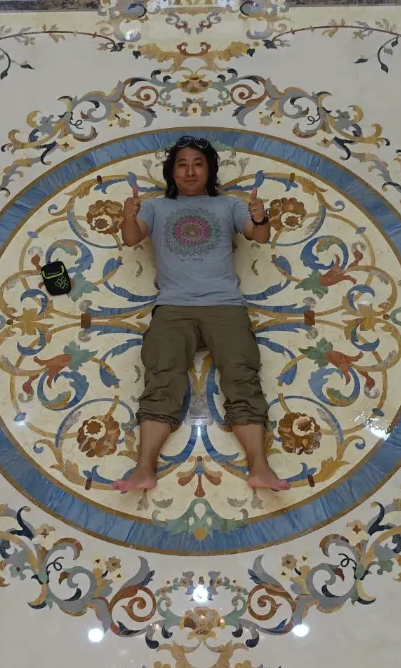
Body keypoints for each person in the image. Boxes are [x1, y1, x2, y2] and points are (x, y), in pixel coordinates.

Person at [114, 136, 289, 493]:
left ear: (209, 170)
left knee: (242, 378)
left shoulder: (229, 204)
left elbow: (258, 234)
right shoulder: (156, 206)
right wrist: (127, 218)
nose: (190, 170)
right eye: (182, 164)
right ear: (172, 172)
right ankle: (143, 468)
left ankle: (260, 467)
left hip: (225, 305)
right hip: (173, 306)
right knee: (161, 378)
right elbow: (132, 239)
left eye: (198, 163)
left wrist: (261, 217)